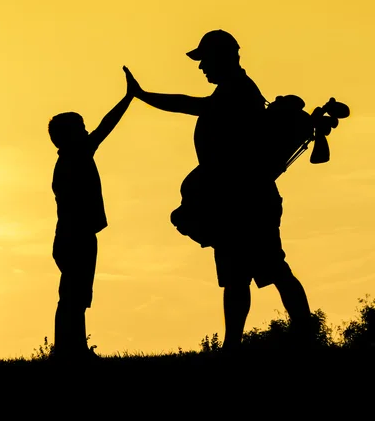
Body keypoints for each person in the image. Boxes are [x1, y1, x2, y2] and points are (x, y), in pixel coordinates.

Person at [123, 30, 312, 351]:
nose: (201, 67)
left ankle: (303, 338)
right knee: (239, 275)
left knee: (272, 270)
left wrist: (143, 96)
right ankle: (235, 347)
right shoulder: (234, 89)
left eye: (205, 60)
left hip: (247, 199)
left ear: (223, 57)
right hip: (234, 199)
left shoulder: (237, 91)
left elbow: (189, 105)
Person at [48, 78, 133, 362]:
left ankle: (73, 350)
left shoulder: (71, 158)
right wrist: (128, 98)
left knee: (75, 296)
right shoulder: (76, 157)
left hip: (72, 236)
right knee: (73, 297)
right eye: (81, 128)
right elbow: (105, 128)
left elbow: (101, 129)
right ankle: (67, 352)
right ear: (70, 136)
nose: (87, 132)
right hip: (76, 237)